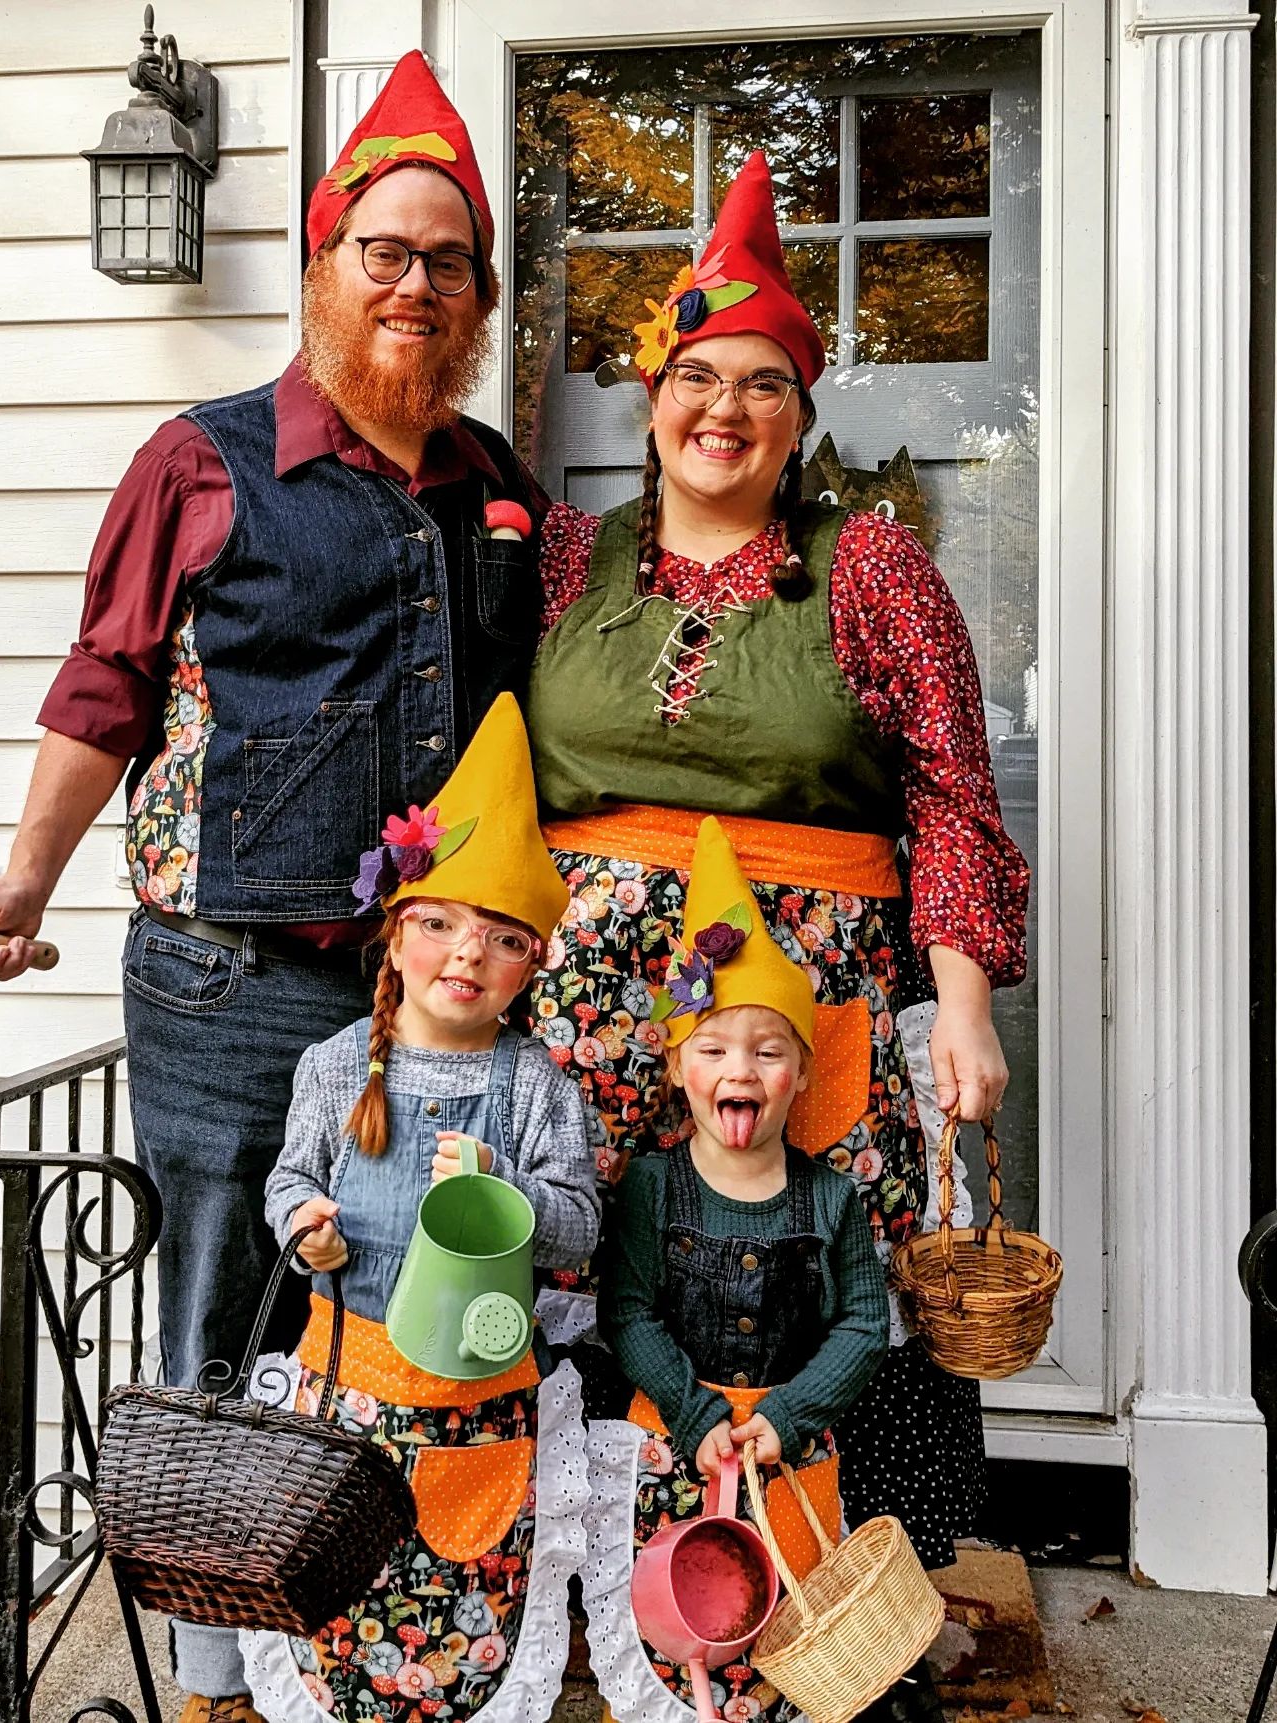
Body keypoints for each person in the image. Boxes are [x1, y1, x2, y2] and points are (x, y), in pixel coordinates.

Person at [0, 53, 545, 1721]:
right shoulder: (201, 460)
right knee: (220, 1317)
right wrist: (21, 878)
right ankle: (213, 1668)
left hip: (436, 993)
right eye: (387, 251)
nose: (417, 285)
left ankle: (370, 1642)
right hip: (227, 974)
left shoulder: (499, 491)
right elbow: (105, 684)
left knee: (410, 1307)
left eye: (451, 261)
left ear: (482, 294)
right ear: (327, 260)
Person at [527, 150, 1030, 1574]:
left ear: (800, 416)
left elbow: (948, 789)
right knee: (595, 1258)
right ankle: (605, 1571)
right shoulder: (571, 557)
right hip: (597, 996)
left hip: (811, 988)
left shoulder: (869, 563)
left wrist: (967, 1004)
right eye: (699, 376)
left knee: (831, 1252)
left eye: (762, 384)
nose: (725, 409)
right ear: (654, 397)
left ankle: (855, 1572)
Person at [241, 693, 600, 1723]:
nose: (465, 954)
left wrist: (504, 1186)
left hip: (477, 1408)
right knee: (342, 1611)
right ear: (392, 942)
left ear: (528, 967)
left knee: (464, 1610)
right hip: (344, 1391)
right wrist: (304, 1223)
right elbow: (287, 1180)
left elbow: (579, 1230)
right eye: (437, 924)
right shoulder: (337, 1063)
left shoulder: (536, 1086)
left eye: (499, 939)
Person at [584, 816, 940, 1723]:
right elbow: (627, 1313)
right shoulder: (653, 1188)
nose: (739, 1067)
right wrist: (697, 1412)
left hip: (788, 1453)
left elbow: (864, 1323)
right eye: (712, 1048)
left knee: (783, 1632)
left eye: (767, 1050)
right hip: (675, 1445)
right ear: (677, 1067)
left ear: (800, 1072)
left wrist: (788, 1415)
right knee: (677, 1629)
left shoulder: (827, 1198)